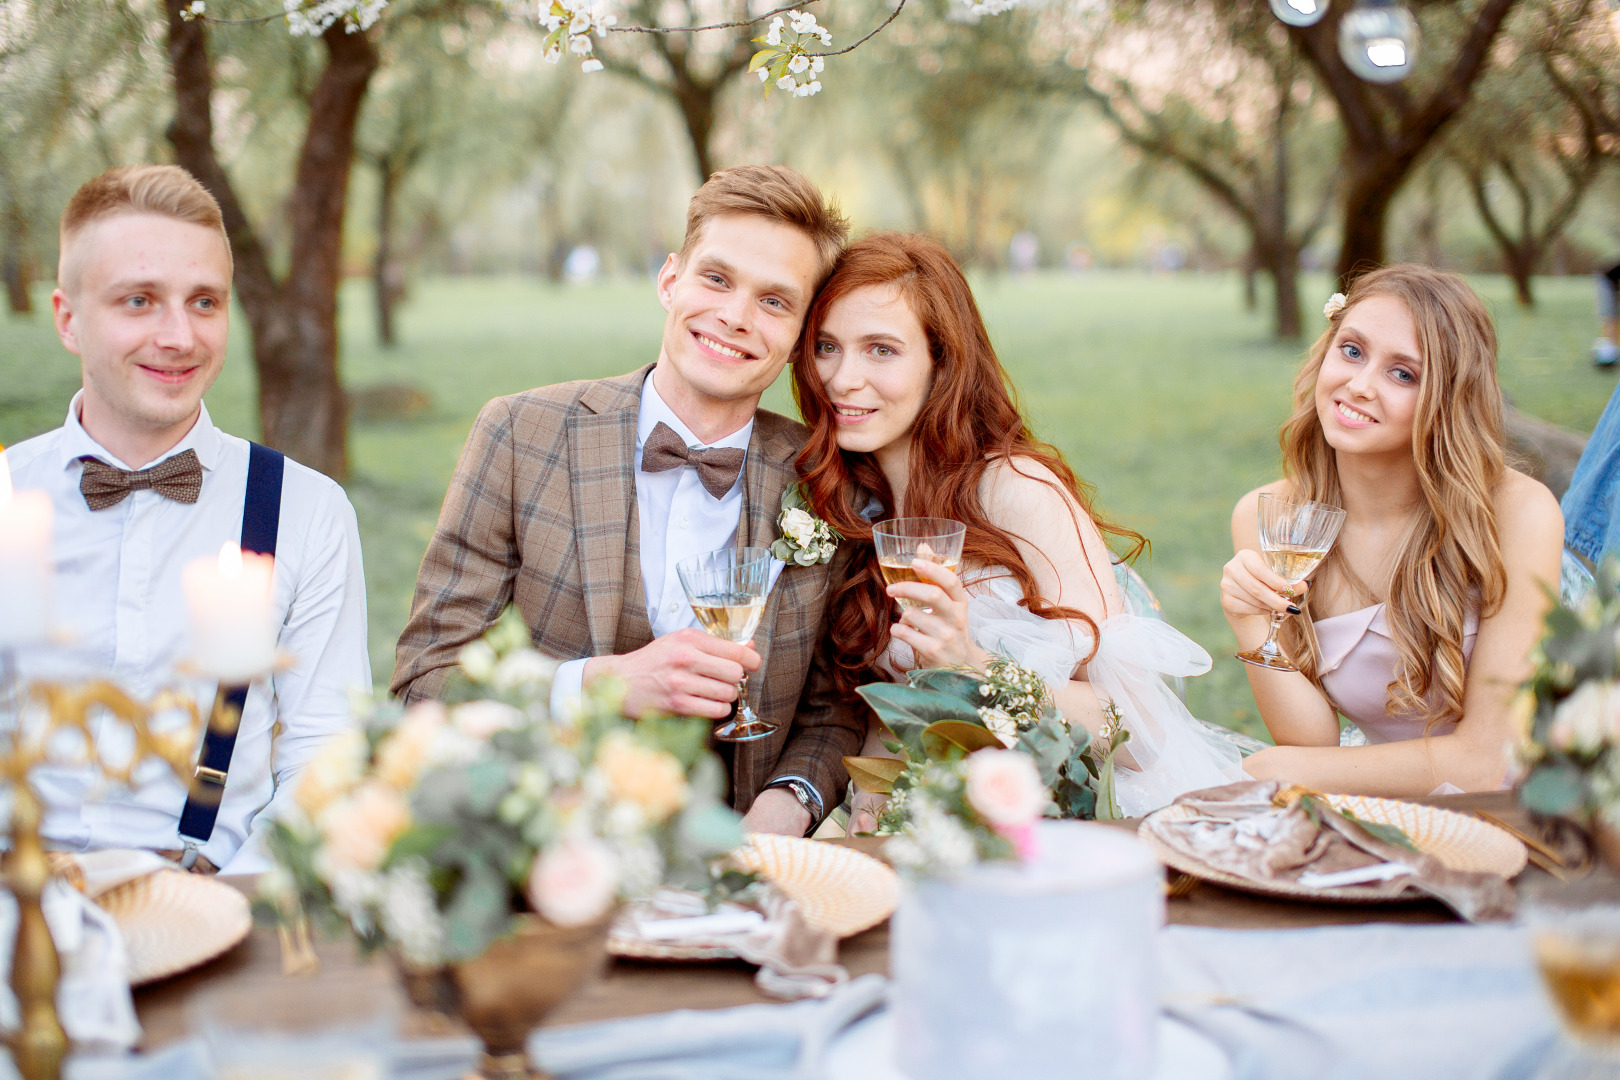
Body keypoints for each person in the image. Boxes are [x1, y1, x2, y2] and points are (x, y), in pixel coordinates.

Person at [392, 165, 861, 837]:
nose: (735, 316)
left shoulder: (823, 479)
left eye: (775, 301)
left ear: (799, 338)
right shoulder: (522, 434)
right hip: (537, 850)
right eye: (717, 279)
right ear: (670, 280)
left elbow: (831, 711)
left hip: (734, 868)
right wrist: (599, 684)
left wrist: (786, 806)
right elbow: (422, 681)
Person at [789, 232, 1244, 831]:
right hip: (952, 828)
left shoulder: (1016, 490)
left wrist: (971, 663)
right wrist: (871, 829)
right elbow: (889, 718)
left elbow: (1136, 734)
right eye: (827, 346)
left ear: (942, 362)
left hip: (1098, 823)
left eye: (881, 350)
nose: (843, 378)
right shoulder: (847, 504)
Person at [4, 165, 370, 874]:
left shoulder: (304, 511)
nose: (179, 336)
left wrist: (224, 900)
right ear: (68, 319)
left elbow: (326, 758)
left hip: (219, 904)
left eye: (204, 302)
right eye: (139, 301)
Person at [1221, 265, 1562, 796]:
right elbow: (1312, 744)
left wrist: (1269, 771)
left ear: (1448, 399)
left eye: (1403, 374)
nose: (1358, 386)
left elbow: (1485, 762)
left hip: (1533, 803)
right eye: (1352, 351)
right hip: (1391, 806)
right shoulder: (1273, 518)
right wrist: (1251, 626)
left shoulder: (1517, 514)